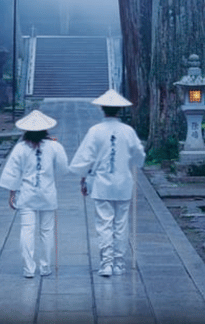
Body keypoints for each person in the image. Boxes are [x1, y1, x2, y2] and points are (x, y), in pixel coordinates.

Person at [69, 89, 145, 277]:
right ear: (119, 110)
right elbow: (139, 155)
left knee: (104, 224)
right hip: (123, 184)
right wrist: (130, 161)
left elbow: (85, 159)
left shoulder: (95, 131)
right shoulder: (128, 131)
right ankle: (119, 263)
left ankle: (106, 264)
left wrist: (83, 177)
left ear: (102, 109)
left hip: (102, 184)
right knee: (121, 224)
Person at [0, 109, 68, 278]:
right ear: (46, 129)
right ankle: (45, 267)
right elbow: (64, 168)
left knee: (27, 230)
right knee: (47, 231)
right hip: (47, 194)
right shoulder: (54, 146)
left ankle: (29, 269)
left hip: (27, 195)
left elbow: (12, 173)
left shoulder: (20, 148)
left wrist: (12, 194)